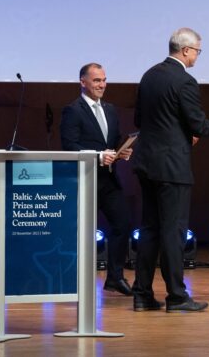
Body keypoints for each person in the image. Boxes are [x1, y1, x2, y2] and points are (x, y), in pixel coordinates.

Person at [132, 27, 209, 312]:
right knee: (173, 233)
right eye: (198, 50)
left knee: (149, 230)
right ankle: (176, 297)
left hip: (147, 164)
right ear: (186, 50)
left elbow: (141, 119)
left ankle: (142, 295)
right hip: (172, 167)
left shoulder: (149, 75)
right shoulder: (185, 81)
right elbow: (198, 125)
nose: (198, 55)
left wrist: (179, 133)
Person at [60, 63, 134, 296]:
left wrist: (121, 152)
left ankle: (115, 277)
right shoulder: (73, 110)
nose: (102, 85)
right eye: (96, 81)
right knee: (79, 231)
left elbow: (112, 141)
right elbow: (69, 147)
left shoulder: (110, 109)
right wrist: (99, 156)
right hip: (84, 180)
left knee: (122, 224)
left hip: (109, 180)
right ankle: (73, 279)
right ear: (83, 82)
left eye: (103, 80)